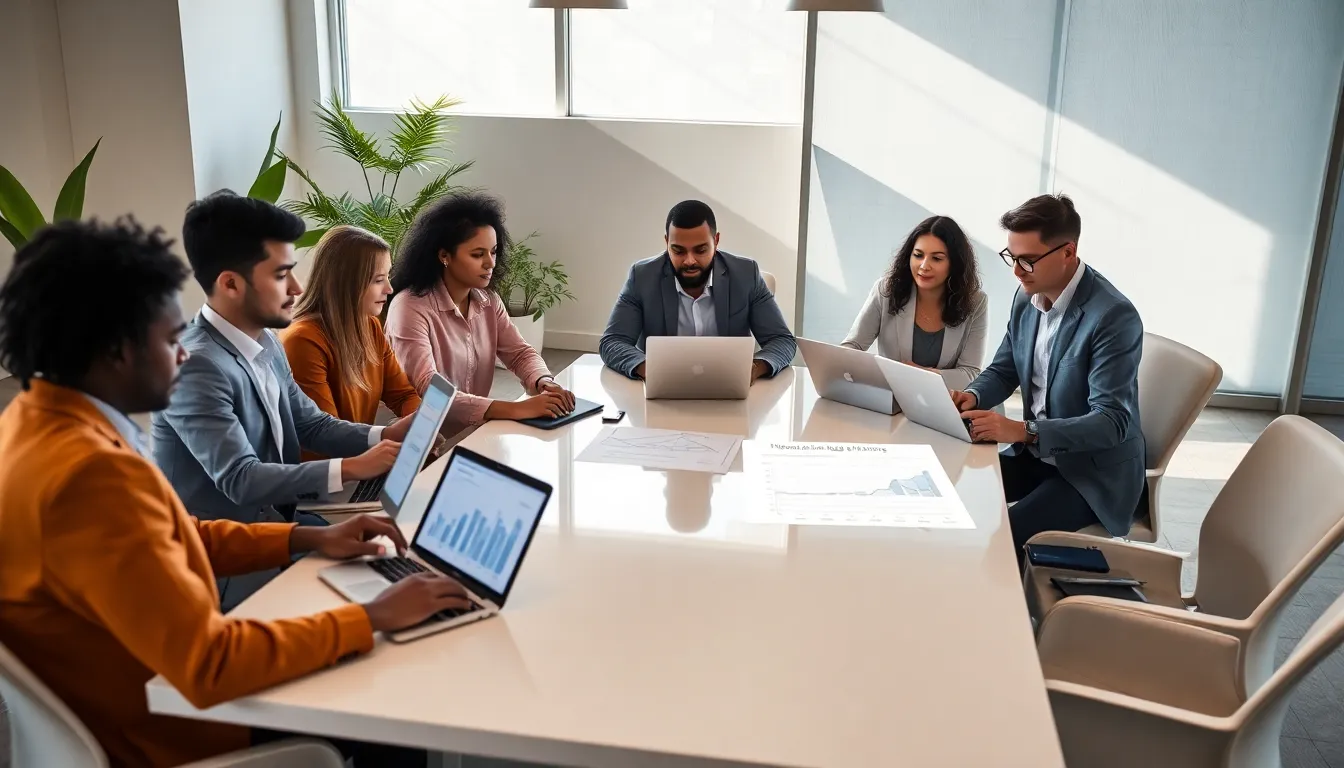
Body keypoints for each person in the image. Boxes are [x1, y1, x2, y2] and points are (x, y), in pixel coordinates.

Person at [0, 218, 471, 767]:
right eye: (171, 339)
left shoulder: (31, 426)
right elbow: (210, 663)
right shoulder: (90, 475)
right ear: (116, 350)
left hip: (136, 688)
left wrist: (303, 540)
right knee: (392, 700)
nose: (183, 355)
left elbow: (173, 534)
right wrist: (371, 618)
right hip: (169, 729)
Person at [150, 191, 415, 608]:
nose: (297, 288)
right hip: (223, 566)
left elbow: (311, 424)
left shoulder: (266, 343)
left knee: (396, 556)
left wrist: (385, 433)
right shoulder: (195, 366)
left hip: (280, 524)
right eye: (281, 275)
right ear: (231, 284)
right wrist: (351, 467)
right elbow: (240, 478)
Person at [951, 194, 1145, 563]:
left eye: (1028, 260)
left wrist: (1023, 431)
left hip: (1091, 475)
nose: (1016, 270)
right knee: (953, 489)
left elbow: (1112, 422)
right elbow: (1004, 368)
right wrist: (972, 396)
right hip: (1036, 457)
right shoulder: (1028, 296)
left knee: (1002, 537)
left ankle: (1012, 617)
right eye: (1011, 257)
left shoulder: (1112, 316)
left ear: (1068, 252)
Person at [386, 192, 575, 437]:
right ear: (444, 256)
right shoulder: (409, 307)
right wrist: (516, 409)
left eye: (493, 252)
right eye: (477, 255)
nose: (490, 263)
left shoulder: (489, 301)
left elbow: (519, 353)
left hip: (474, 431)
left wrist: (544, 382)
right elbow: (430, 389)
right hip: (422, 440)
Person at [599, 200, 797, 381]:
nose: (689, 260)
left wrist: (755, 368)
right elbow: (612, 342)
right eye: (678, 250)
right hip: (664, 391)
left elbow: (782, 341)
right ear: (667, 242)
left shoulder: (746, 275)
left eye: (700, 250)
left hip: (729, 393)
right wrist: (649, 368)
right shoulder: (642, 277)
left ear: (716, 241)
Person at [281, 225, 421, 460]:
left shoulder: (369, 326)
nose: (389, 288)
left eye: (388, 277)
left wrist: (419, 430)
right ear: (347, 283)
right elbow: (324, 439)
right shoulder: (302, 341)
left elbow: (403, 395)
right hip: (325, 478)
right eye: (379, 280)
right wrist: (388, 439)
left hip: (357, 464)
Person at [840, 215, 989, 390]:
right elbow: (853, 346)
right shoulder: (886, 290)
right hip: (891, 398)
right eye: (918, 255)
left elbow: (970, 373)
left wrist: (921, 375)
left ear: (955, 264)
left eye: (937, 258)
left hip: (944, 402)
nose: (924, 266)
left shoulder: (975, 302)